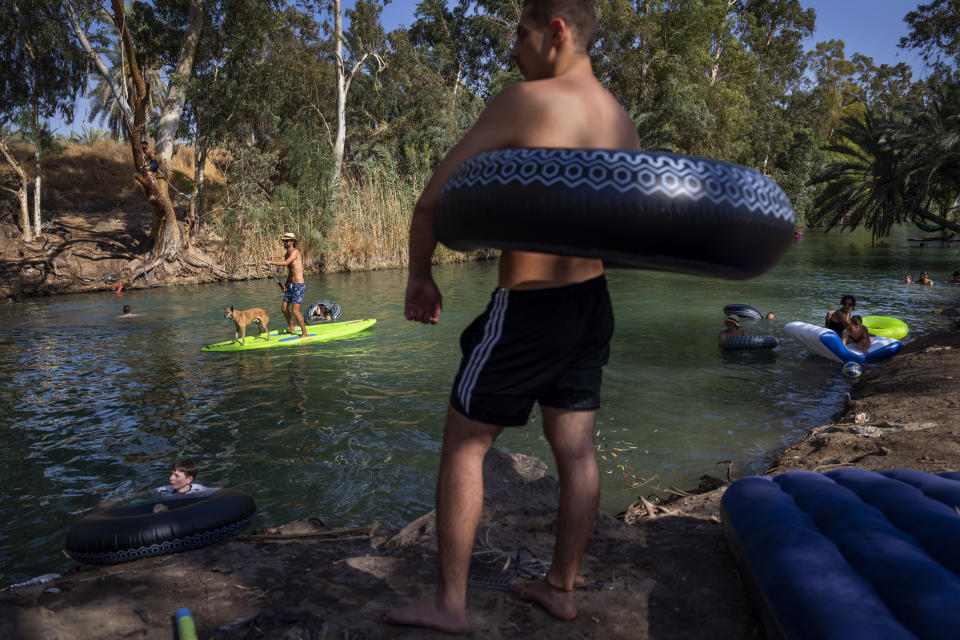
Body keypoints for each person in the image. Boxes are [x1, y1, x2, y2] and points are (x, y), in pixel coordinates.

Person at [388, 0, 640, 632]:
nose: (512, 47)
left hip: (528, 307)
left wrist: (421, 273)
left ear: (556, 31)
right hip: (592, 304)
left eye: (521, 33)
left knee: (464, 446)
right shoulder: (620, 119)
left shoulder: (523, 100)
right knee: (576, 451)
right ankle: (561, 586)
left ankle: (449, 604)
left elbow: (432, 200)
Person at [263, 232, 307, 337]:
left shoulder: (295, 252)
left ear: (292, 242)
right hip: (291, 285)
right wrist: (286, 285)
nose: (285, 242)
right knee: (283, 308)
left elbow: (286, 263)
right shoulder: (287, 254)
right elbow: (291, 272)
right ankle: (291, 329)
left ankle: (305, 333)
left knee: (295, 311)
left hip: (299, 286)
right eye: (284, 241)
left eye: (286, 241)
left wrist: (270, 262)